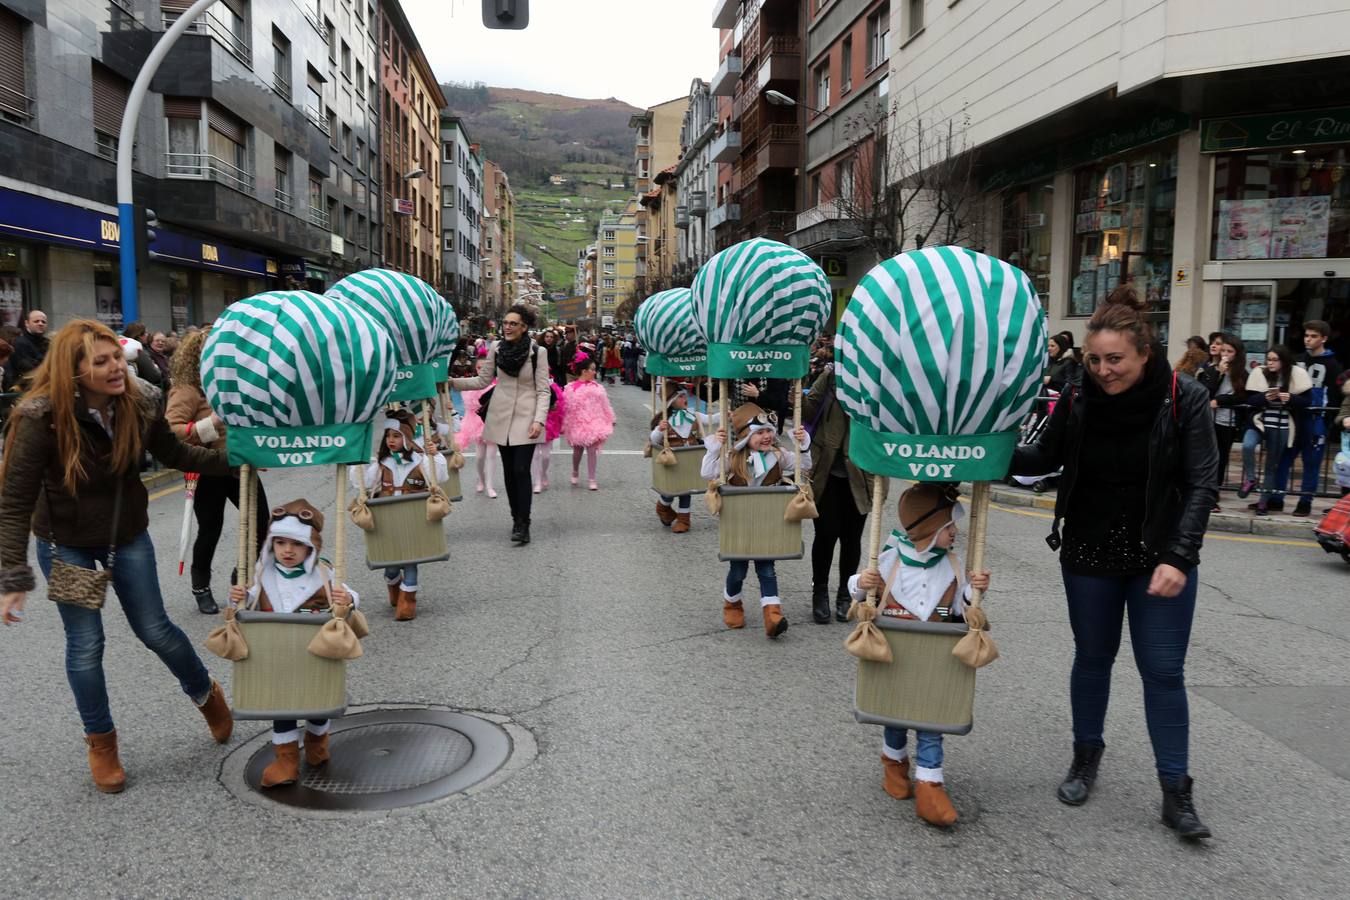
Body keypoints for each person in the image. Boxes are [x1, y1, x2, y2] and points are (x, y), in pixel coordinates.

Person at [1008, 287, 1218, 842]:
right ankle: (1085, 757)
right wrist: (984, 448)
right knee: (1093, 658)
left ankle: (1176, 791)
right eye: (1095, 360)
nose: (1104, 370)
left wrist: (1179, 555)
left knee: (1163, 673)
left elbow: (1202, 483)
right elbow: (1040, 459)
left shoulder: (1185, 397)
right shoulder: (1076, 395)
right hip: (1088, 552)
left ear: (1144, 352)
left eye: (1115, 359)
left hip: (1160, 559)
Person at [0, 320, 235, 793]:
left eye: (117, 359)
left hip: (126, 536)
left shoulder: (141, 401)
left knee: (155, 630)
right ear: (73, 370)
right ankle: (101, 741)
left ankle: (205, 693)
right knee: (86, 645)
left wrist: (236, 460)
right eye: (102, 361)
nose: (116, 369)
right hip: (64, 543)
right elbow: (15, 501)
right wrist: (13, 577)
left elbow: (179, 454)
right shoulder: (39, 417)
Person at [847, 482, 990, 827]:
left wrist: (975, 592)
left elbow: (962, 606)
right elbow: (858, 590)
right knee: (895, 717)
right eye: (948, 526)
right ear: (929, 528)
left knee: (931, 722)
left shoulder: (954, 565)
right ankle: (893, 764)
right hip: (896, 654)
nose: (955, 532)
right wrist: (863, 582)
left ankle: (930, 786)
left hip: (935, 661)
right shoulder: (890, 559)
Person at [227, 500, 359, 788]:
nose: (287, 550)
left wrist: (347, 600)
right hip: (275, 656)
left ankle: (317, 743)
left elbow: (349, 596)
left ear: (310, 547)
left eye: (296, 544)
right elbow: (245, 605)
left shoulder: (323, 574)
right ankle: (286, 760)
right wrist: (238, 597)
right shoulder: (261, 574)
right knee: (281, 706)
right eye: (281, 543)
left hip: (314, 655)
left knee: (316, 702)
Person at [166, 329, 270, 614]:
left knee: (262, 523)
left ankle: (242, 578)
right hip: (207, 469)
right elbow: (171, 432)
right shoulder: (188, 389)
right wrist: (210, 423)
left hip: (240, 467)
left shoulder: (233, 383)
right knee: (211, 529)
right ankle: (201, 586)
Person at [700, 403, 811, 640]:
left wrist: (804, 446)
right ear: (746, 436)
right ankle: (732, 604)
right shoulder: (733, 458)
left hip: (768, 522)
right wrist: (713, 449)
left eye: (769, 430)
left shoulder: (780, 456)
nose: (766, 436)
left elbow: (805, 467)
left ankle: (773, 615)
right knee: (738, 569)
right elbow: (708, 473)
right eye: (759, 432)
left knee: (767, 568)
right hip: (739, 522)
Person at [449, 304, 550, 545]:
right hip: (501, 415)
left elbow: (543, 390)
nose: (507, 327)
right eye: (505, 323)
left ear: (524, 327)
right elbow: (483, 380)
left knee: (521, 470)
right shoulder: (496, 348)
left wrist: (539, 420)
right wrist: (451, 382)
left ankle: (524, 524)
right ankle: (516, 518)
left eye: (513, 323)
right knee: (508, 471)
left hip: (527, 416)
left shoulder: (538, 352)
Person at [352, 411, 448, 621]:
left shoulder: (419, 460)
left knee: (411, 560)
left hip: (413, 520)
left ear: (405, 436)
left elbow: (439, 477)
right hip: (387, 522)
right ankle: (395, 588)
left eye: (396, 435)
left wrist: (435, 455)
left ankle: (408, 602)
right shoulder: (381, 464)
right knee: (392, 564)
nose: (391, 440)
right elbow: (362, 483)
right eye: (388, 436)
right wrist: (355, 460)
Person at [802, 363, 878, 623]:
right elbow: (806, 409)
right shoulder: (832, 376)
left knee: (852, 539)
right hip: (827, 475)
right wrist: (824, 376)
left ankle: (846, 594)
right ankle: (819, 592)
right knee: (824, 536)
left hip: (862, 476)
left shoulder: (877, 378)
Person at [1274, 321, 1344, 516]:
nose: (1308, 339)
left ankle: (1305, 501)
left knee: (1311, 463)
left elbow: (1336, 395)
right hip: (1295, 417)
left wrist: (1328, 420)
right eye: (1306, 335)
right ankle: (1276, 498)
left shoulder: (1333, 364)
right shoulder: (1297, 360)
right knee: (1283, 459)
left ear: (1324, 338)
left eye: (1313, 336)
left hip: (1317, 420)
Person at [1237, 345, 1311, 515]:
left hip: (1282, 424)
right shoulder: (1260, 373)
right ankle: (1250, 479)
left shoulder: (1295, 374)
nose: (1270, 363)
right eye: (1268, 359)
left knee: (1271, 465)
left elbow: (1307, 401)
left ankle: (1263, 503)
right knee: (1247, 445)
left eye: (1274, 360)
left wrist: (1291, 398)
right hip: (1259, 422)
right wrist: (1264, 397)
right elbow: (1249, 399)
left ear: (1284, 361)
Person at [650, 381, 717, 533]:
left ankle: (683, 521)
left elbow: (710, 419)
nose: (684, 398)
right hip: (673, 462)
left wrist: (727, 415)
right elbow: (653, 440)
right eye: (680, 396)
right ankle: (663, 507)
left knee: (687, 491)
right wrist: (660, 429)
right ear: (672, 401)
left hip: (689, 460)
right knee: (669, 492)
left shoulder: (692, 415)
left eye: (684, 395)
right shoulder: (665, 420)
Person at [1197, 334, 1247, 509]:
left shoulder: (1241, 372)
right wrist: (1219, 372)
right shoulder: (1212, 369)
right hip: (1208, 419)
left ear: (1237, 353)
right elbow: (1205, 391)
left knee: (1220, 458)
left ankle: (1213, 494)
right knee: (1206, 458)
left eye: (1229, 351)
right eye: (1223, 350)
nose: (1225, 354)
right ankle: (1204, 492)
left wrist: (1222, 400)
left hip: (1227, 422)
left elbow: (1241, 396)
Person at [562, 351, 615, 490]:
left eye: (595, 369)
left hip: (594, 423)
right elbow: (565, 408)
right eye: (592, 369)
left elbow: (605, 405)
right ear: (584, 371)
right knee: (577, 451)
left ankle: (592, 479)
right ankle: (575, 471)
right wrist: (564, 424)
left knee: (592, 450)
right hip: (577, 424)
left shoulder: (598, 388)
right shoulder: (570, 388)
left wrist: (611, 418)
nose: (595, 371)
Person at [458, 351, 499, 498]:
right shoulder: (472, 384)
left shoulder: (497, 384)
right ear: (476, 368)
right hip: (477, 423)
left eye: (485, 367)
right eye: (479, 368)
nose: (481, 370)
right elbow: (469, 408)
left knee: (492, 455)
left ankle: (490, 485)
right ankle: (481, 479)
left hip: (494, 423)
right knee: (480, 457)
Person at [532, 379, 566, 493]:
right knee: (535, 455)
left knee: (546, 456)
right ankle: (537, 482)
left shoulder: (552, 386)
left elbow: (558, 407)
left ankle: (543, 473)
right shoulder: (527, 384)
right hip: (531, 421)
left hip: (548, 422)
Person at [10, 308, 49, 380]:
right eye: (36, 321)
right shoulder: (20, 343)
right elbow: (27, 369)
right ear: (27, 323)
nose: (40, 324)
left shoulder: (49, 343)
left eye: (43, 322)